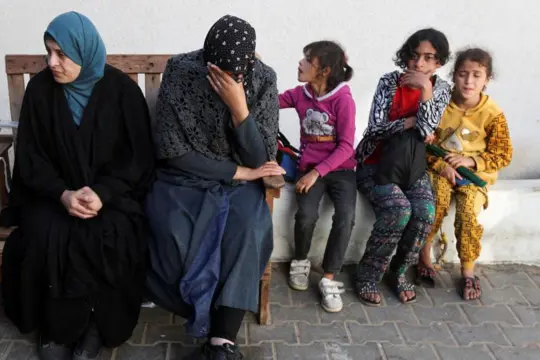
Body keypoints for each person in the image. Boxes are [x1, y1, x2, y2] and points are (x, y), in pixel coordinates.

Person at [0, 12, 155, 360]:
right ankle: (57, 327)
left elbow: (138, 158)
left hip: (110, 197)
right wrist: (63, 193)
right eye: (48, 52)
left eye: (61, 54)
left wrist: (103, 193)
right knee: (45, 233)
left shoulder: (121, 91)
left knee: (111, 233)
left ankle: (96, 326)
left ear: (84, 52)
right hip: (53, 196)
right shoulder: (40, 91)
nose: (52, 62)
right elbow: (30, 158)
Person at [144, 15, 284, 360]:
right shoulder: (181, 71)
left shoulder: (263, 80)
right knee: (175, 229)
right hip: (185, 179)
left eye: (234, 73)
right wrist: (238, 171)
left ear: (250, 61)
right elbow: (173, 151)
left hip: (240, 186)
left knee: (248, 228)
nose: (223, 78)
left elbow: (262, 156)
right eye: (216, 70)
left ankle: (223, 338)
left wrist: (240, 109)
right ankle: (197, 312)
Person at [355, 28, 451, 306]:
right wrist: (405, 123)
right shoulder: (388, 82)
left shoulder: (440, 89)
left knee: (424, 213)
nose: (418, 64)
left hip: (412, 167)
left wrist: (425, 90)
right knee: (399, 209)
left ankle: (397, 273)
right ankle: (368, 275)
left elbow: (426, 127)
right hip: (375, 163)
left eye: (428, 58)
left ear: (438, 64)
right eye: (414, 56)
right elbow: (374, 129)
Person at [417, 48, 513, 300]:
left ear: (487, 79)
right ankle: (424, 257)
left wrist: (471, 160)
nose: (469, 82)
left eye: (476, 75)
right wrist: (442, 166)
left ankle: (468, 271)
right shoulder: (441, 103)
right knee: (435, 201)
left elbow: (503, 154)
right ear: (454, 75)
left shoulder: (492, 113)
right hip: (441, 170)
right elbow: (424, 144)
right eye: (462, 74)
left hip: (474, 177)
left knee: (469, 212)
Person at [278, 41, 357, 313]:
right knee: (306, 215)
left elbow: (347, 146)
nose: (300, 64)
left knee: (346, 216)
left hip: (341, 170)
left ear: (323, 70)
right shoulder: (300, 94)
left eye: (306, 60)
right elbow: (268, 101)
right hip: (311, 168)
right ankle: (300, 260)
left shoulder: (343, 99)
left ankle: (329, 276)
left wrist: (316, 172)